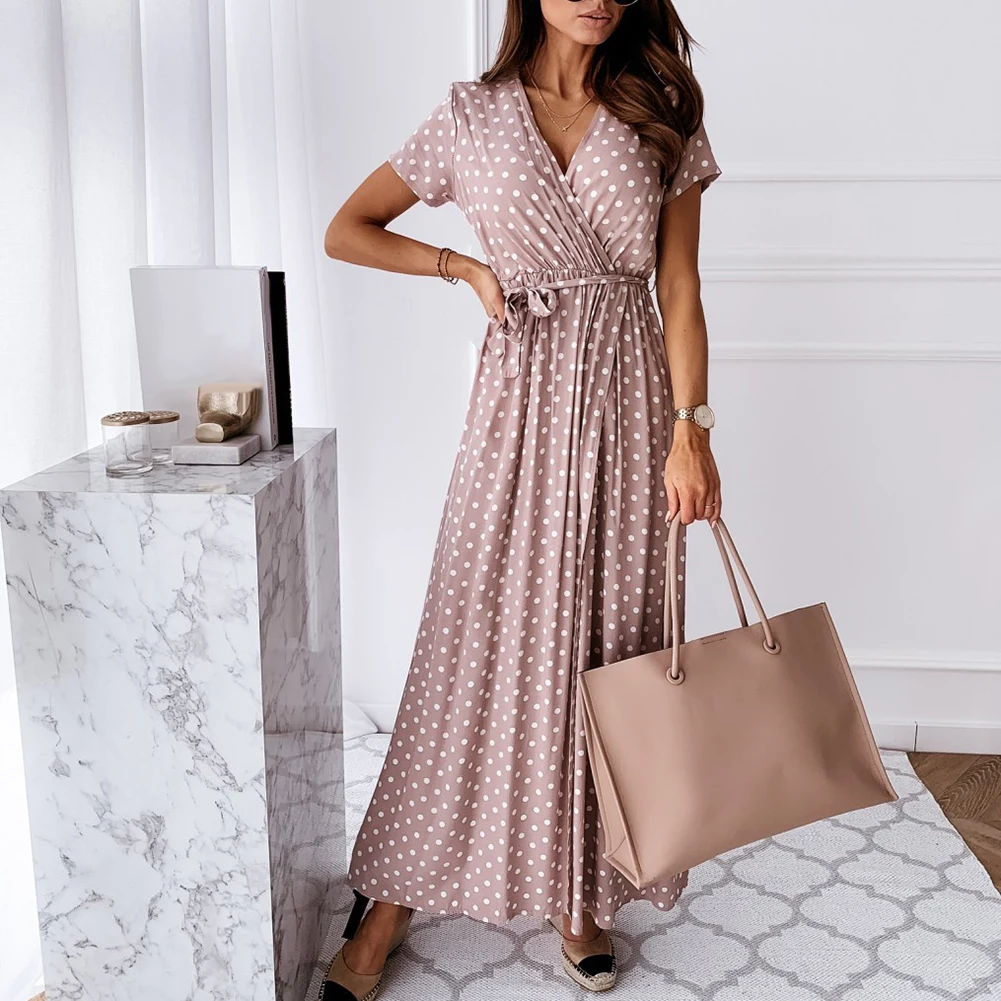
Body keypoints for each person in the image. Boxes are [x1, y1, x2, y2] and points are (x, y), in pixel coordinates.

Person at [321, 0, 722, 996]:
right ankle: (393, 896)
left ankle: (579, 890)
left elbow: (677, 285)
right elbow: (347, 229)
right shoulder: (470, 115)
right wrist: (458, 265)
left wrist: (690, 430)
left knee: (610, 648)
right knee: (475, 639)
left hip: (631, 403)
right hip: (517, 404)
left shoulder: (661, 107)